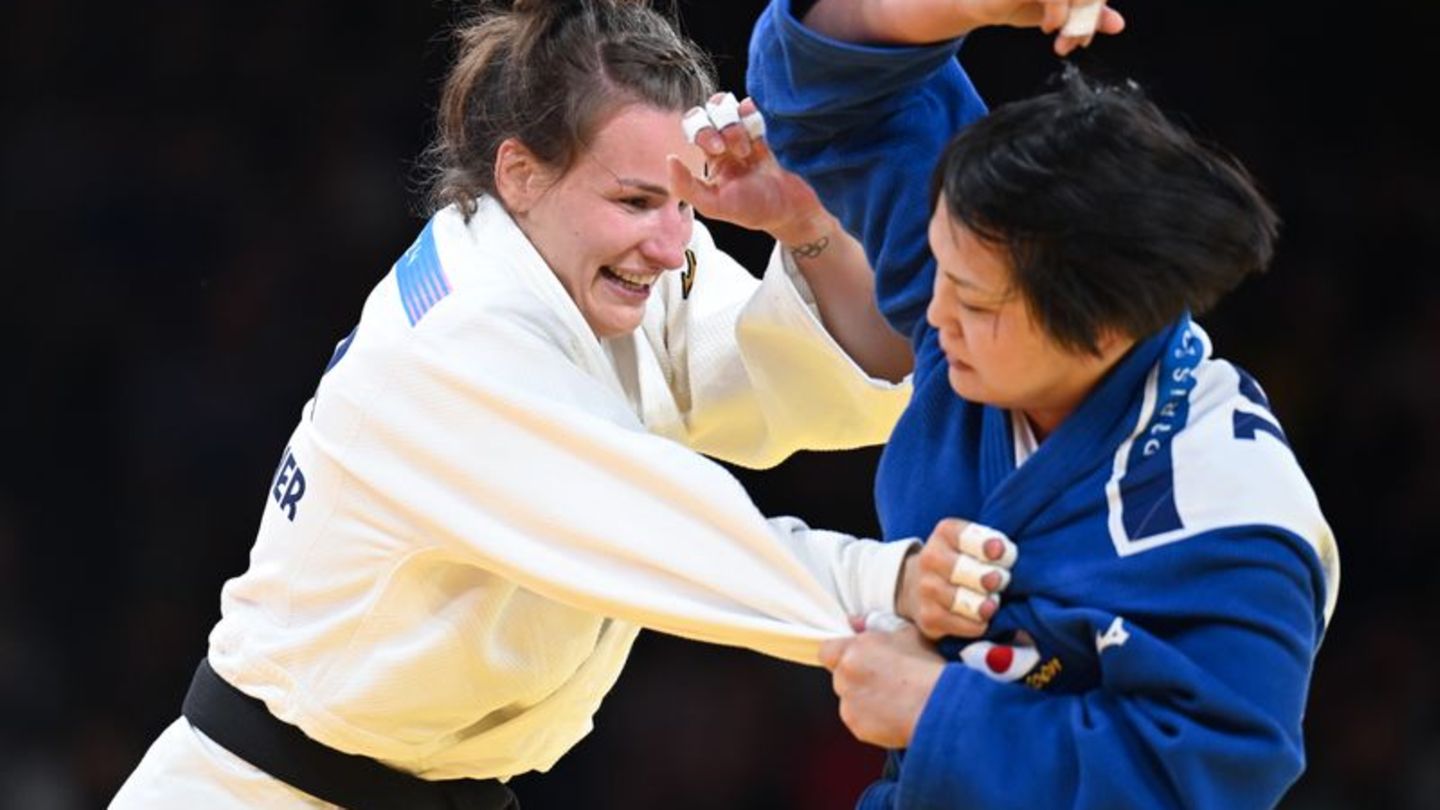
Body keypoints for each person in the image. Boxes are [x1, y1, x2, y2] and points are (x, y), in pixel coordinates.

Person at [109, 1, 1019, 808]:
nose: (669, 246)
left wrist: (803, 224)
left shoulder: (605, 271)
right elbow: (660, 530)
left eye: (682, 203)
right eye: (634, 201)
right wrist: (889, 583)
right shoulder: (462, 339)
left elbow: (822, 386)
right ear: (521, 173)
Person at [748, 0, 1341, 807]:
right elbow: (832, 85)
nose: (933, 316)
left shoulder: (1234, 517)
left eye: (974, 304)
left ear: (1102, 331)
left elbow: (1208, 780)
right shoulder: (988, 260)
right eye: (940, 275)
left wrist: (935, 709)